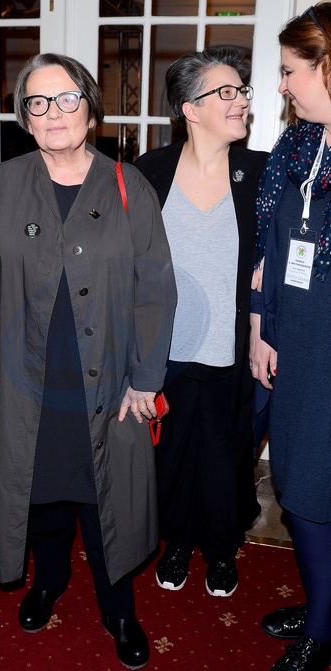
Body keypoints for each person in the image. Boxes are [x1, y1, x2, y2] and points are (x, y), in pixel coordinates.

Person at [0, 53, 177, 670]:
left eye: (67, 98)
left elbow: (157, 290)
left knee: (105, 500)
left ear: (90, 107)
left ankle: (119, 610)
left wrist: (146, 378)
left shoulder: (129, 187)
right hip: (23, 379)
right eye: (38, 102)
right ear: (25, 117)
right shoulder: (1, 185)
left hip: (106, 383)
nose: (54, 113)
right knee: (40, 492)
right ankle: (49, 580)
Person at [135, 47, 267, 598]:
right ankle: (178, 542)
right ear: (190, 109)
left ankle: (221, 548)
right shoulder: (150, 171)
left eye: (242, 91)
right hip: (167, 350)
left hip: (230, 349)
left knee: (225, 457)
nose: (241, 102)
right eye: (226, 93)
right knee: (169, 456)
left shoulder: (260, 172)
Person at [250, 4, 331, 670]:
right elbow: (270, 250)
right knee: (298, 487)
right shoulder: (300, 144)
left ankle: (324, 630)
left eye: (290, 71)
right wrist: (262, 325)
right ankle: (324, 603)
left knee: (315, 490)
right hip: (294, 343)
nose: (281, 85)